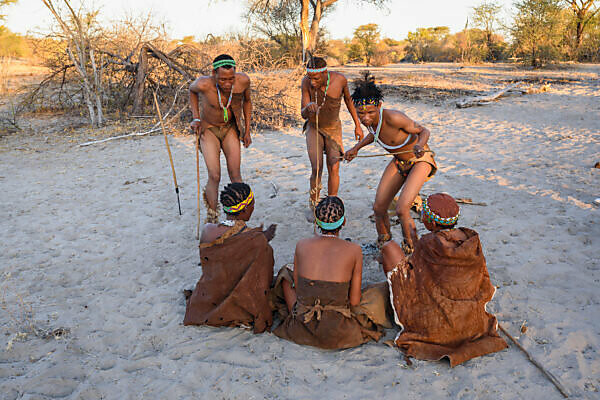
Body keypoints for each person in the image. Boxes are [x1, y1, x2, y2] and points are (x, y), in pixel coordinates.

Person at [381, 193, 508, 366]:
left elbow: (418, 276)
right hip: (470, 320)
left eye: (424, 215)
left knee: (389, 249)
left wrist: (414, 240)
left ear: (431, 223)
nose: (422, 217)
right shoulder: (471, 241)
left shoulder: (429, 243)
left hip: (438, 320)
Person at [271, 196, 390, 349]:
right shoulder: (354, 250)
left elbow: (300, 289)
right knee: (377, 292)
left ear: (317, 222)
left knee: (285, 274)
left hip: (303, 324)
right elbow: (354, 302)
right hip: (338, 328)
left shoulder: (301, 245)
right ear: (344, 221)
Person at [344, 72, 437, 254]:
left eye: (370, 112)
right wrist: (356, 148)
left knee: (402, 209)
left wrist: (418, 144)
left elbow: (424, 131)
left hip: (419, 160)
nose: (365, 118)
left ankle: (413, 250)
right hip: (399, 162)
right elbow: (374, 133)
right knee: (379, 208)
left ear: (379, 106)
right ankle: (384, 244)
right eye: (360, 114)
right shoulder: (368, 120)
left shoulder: (395, 117)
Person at [183, 183, 277, 333]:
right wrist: (264, 238)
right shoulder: (253, 238)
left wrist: (261, 238)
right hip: (238, 295)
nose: (253, 207)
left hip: (210, 295)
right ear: (246, 209)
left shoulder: (208, 230)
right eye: (252, 204)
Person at [189, 54, 252, 223]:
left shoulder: (243, 81)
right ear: (213, 73)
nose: (227, 84)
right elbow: (191, 91)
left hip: (230, 128)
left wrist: (247, 130)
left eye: (231, 78)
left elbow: (247, 102)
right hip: (208, 129)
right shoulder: (203, 83)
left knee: (235, 174)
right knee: (215, 175)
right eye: (223, 79)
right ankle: (212, 216)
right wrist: (196, 118)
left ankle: (239, 216)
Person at [301, 56, 364, 219]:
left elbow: (350, 102)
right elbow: (302, 114)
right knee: (317, 167)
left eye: (316, 78)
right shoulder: (306, 83)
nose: (313, 82)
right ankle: (314, 205)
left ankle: (332, 202)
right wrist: (308, 108)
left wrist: (357, 125)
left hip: (333, 128)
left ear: (325, 73)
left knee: (334, 166)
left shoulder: (340, 80)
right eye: (310, 78)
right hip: (314, 128)